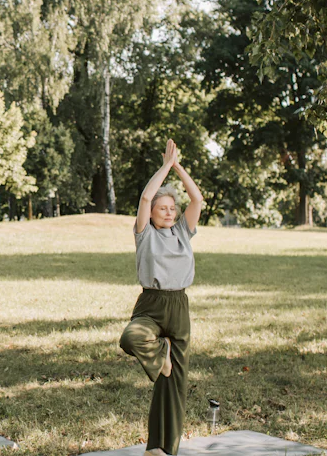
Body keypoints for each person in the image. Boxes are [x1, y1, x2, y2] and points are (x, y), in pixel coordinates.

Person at [119, 139, 205, 456]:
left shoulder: (182, 231)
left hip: (179, 305)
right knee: (131, 338)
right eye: (161, 208)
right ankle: (161, 352)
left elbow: (197, 199)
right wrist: (165, 166)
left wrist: (178, 166)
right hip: (152, 305)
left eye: (171, 208)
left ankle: (161, 448)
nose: (168, 212)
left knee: (174, 385)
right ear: (152, 213)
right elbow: (145, 197)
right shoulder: (144, 234)